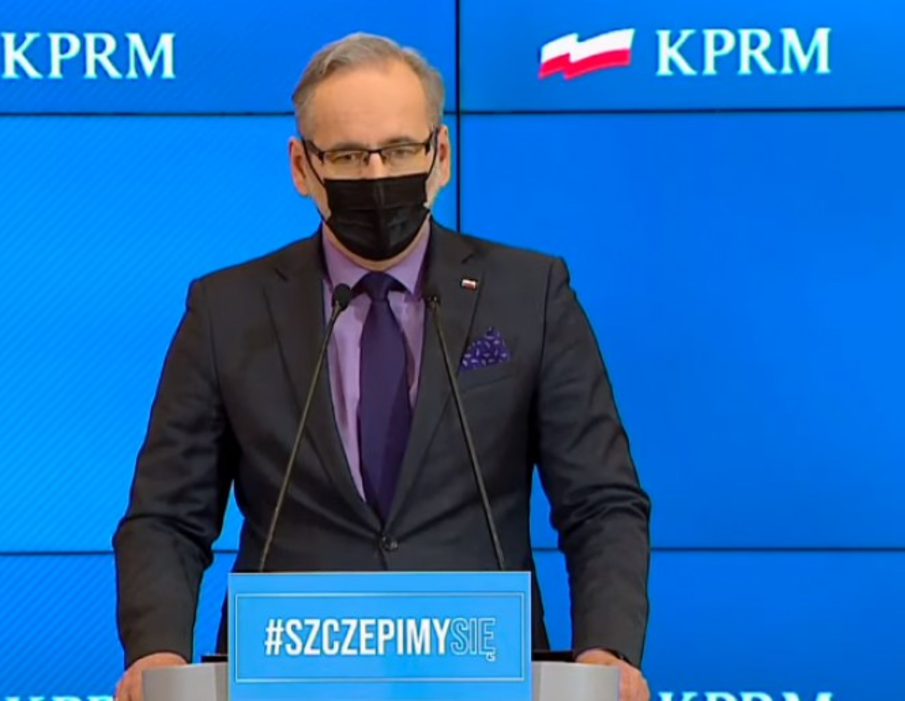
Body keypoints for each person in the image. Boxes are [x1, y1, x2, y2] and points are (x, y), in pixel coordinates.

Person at [111, 32, 652, 701]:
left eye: (398, 150)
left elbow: (600, 501)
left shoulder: (530, 294)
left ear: (441, 155)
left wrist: (606, 649)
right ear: (301, 167)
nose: (374, 177)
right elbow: (168, 514)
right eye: (346, 155)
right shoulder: (227, 308)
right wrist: (157, 653)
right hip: (285, 677)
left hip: (484, 673)